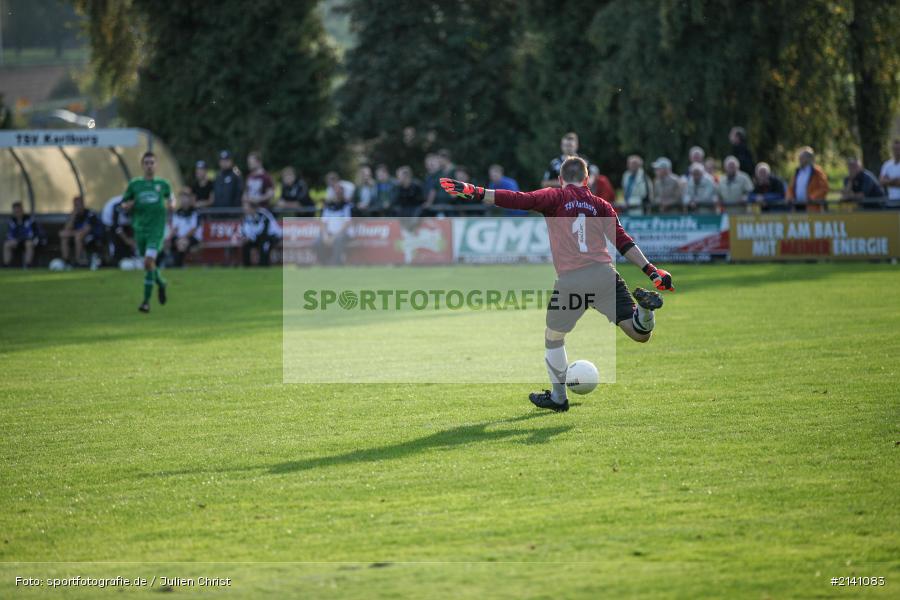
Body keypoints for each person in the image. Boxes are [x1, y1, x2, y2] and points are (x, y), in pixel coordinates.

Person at [441, 157, 674, 412]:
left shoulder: (555, 197)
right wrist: (651, 271)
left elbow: (518, 199)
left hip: (572, 281)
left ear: (561, 179)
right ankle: (645, 311)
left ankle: (558, 397)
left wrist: (476, 192)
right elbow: (623, 241)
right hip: (604, 275)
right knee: (640, 334)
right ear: (587, 179)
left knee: (553, 337)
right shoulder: (602, 205)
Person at [121, 152, 174, 313]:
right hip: (140, 230)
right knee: (149, 264)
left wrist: (172, 204)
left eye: (152, 162)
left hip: (156, 231)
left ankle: (145, 302)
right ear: (142, 166)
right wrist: (127, 206)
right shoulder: (135, 184)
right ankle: (162, 283)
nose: (149, 165)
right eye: (146, 163)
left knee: (148, 262)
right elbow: (124, 203)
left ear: (156, 165)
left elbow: (171, 198)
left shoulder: (163, 184)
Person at [59, 196, 103, 267]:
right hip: (78, 234)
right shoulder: (74, 215)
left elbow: (85, 231)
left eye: (78, 205)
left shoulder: (90, 214)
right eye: (75, 205)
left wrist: (70, 233)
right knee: (64, 237)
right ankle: (66, 261)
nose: (77, 207)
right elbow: (67, 229)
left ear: (83, 204)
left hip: (93, 236)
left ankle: (78, 261)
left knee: (78, 236)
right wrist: (73, 216)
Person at [166, 188, 203, 267]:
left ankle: (178, 266)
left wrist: (183, 238)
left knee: (182, 244)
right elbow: (175, 228)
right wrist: (168, 238)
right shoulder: (177, 213)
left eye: (185, 197)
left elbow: (193, 229)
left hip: (193, 238)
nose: (183, 200)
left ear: (190, 199)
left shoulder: (195, 212)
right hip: (179, 238)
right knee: (166, 243)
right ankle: (163, 265)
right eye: (182, 197)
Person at [316, 188, 353, 265]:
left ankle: (336, 263)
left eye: (339, 194)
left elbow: (347, 223)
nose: (337, 196)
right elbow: (323, 223)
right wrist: (325, 236)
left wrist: (334, 237)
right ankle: (324, 264)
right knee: (318, 242)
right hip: (329, 233)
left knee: (338, 241)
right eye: (336, 194)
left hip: (342, 234)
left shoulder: (346, 206)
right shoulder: (328, 207)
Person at [787, 146, 829, 211]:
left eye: (802, 157)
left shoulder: (816, 172)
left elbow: (824, 188)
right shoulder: (797, 172)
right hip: (797, 206)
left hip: (811, 206)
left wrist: (812, 198)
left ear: (809, 158)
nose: (800, 159)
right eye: (800, 157)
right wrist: (790, 197)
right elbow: (790, 188)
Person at [4, 201, 42, 268]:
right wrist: (13, 240)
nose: (17, 213)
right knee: (7, 244)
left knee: (28, 244)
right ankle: (6, 265)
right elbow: (9, 234)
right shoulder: (12, 221)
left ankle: (28, 265)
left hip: (31, 241)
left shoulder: (29, 219)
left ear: (22, 210)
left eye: (19, 211)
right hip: (17, 241)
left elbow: (32, 234)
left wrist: (20, 240)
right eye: (15, 211)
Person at [100, 195, 135, 264]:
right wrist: (127, 240)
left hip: (124, 224)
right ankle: (114, 260)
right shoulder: (117, 206)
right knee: (116, 242)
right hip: (110, 224)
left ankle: (130, 257)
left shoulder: (136, 206)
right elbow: (116, 227)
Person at [879, 139, 900, 208]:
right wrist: (894, 180)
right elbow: (881, 182)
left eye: (898, 149)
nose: (897, 151)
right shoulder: (887, 165)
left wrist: (888, 181)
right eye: (895, 149)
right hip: (891, 202)